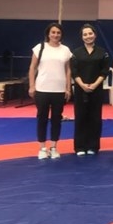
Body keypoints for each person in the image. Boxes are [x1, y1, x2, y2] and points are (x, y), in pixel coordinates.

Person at [28, 22, 72, 160]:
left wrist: (68, 88)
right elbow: (32, 67)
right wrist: (32, 85)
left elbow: (68, 70)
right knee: (42, 118)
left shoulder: (65, 50)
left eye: (58, 32)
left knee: (56, 119)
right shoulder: (40, 47)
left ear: (61, 35)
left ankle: (54, 147)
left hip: (59, 90)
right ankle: (42, 148)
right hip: (42, 89)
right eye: (53, 32)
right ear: (48, 33)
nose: (55, 35)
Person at [70, 23, 110, 156]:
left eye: (90, 33)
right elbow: (74, 71)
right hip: (80, 90)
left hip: (96, 89)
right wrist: (82, 85)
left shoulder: (102, 52)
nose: (88, 36)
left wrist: (94, 84)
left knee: (95, 118)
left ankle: (93, 146)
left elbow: (104, 71)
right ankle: (80, 147)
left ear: (95, 35)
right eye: (85, 34)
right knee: (80, 117)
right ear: (82, 37)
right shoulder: (76, 53)